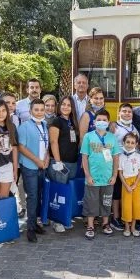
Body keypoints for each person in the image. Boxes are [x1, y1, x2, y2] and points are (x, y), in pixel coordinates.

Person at [80, 109, 120, 239]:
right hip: (92, 178)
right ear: (94, 122)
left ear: (108, 122)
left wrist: (114, 175)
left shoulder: (112, 137)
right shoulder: (88, 136)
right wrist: (87, 175)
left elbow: (115, 158)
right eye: (99, 120)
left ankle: (105, 223)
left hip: (108, 178)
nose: (101, 122)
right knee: (91, 202)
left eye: (104, 120)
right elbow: (84, 157)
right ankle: (90, 225)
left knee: (106, 202)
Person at [17, 98, 49, 242]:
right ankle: (30, 229)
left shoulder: (45, 125)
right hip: (30, 166)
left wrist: (46, 159)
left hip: (42, 166)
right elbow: (21, 147)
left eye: (42, 110)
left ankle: (35, 223)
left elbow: (47, 144)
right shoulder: (24, 127)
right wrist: (37, 161)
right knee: (32, 197)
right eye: (36, 110)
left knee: (39, 195)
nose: (39, 112)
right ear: (30, 111)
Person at [48, 96, 80, 233]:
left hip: (72, 163)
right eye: (63, 104)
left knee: (66, 193)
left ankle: (64, 217)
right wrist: (58, 161)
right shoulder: (56, 121)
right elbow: (53, 142)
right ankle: (56, 221)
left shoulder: (72, 123)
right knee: (58, 192)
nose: (66, 107)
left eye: (69, 105)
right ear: (59, 106)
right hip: (60, 163)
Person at [110, 103, 139, 231]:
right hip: (118, 163)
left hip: (131, 166)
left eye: (129, 112)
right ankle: (116, 217)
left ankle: (126, 217)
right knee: (116, 192)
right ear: (119, 113)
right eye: (124, 111)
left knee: (126, 192)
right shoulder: (114, 127)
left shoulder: (134, 128)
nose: (127, 114)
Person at [118, 133, 140, 237]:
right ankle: (127, 227)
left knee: (136, 205)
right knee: (127, 205)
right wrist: (127, 185)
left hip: (136, 183)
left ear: (136, 144)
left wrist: (135, 185)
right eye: (128, 142)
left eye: (132, 143)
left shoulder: (138, 156)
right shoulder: (121, 157)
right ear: (123, 143)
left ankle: (133, 227)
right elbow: (120, 173)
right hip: (126, 183)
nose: (130, 144)